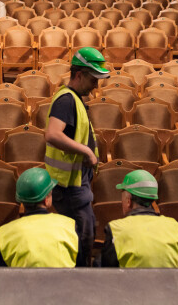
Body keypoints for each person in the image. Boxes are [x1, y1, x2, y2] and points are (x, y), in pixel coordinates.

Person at [44, 47, 109, 266]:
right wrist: (86, 151)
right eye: (93, 79)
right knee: (83, 236)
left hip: (76, 181)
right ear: (79, 75)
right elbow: (52, 134)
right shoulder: (66, 100)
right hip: (70, 186)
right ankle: (79, 282)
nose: (96, 85)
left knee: (84, 232)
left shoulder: (75, 99)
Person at [0, 168, 79, 267]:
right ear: (46, 201)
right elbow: (80, 267)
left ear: (21, 201)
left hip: (22, 282)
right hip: (64, 282)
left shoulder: (5, 233)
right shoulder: (70, 227)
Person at [101, 170, 178, 268]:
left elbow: (107, 271)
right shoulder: (175, 226)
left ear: (128, 201)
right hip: (169, 283)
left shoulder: (116, 229)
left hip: (132, 283)